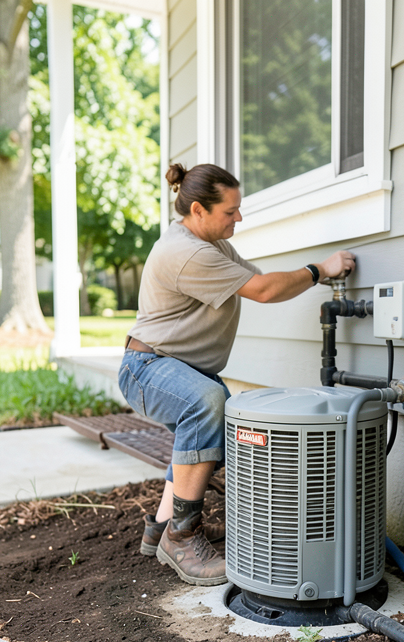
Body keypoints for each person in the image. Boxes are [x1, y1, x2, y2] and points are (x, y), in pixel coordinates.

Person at [119, 163, 356, 586]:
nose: (239, 218)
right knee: (208, 404)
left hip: (175, 366)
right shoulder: (187, 252)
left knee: (211, 422)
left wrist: (312, 275)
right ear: (198, 209)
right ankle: (182, 536)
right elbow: (263, 291)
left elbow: (260, 279)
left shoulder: (210, 244)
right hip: (148, 367)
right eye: (230, 211)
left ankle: (161, 528)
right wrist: (321, 268)